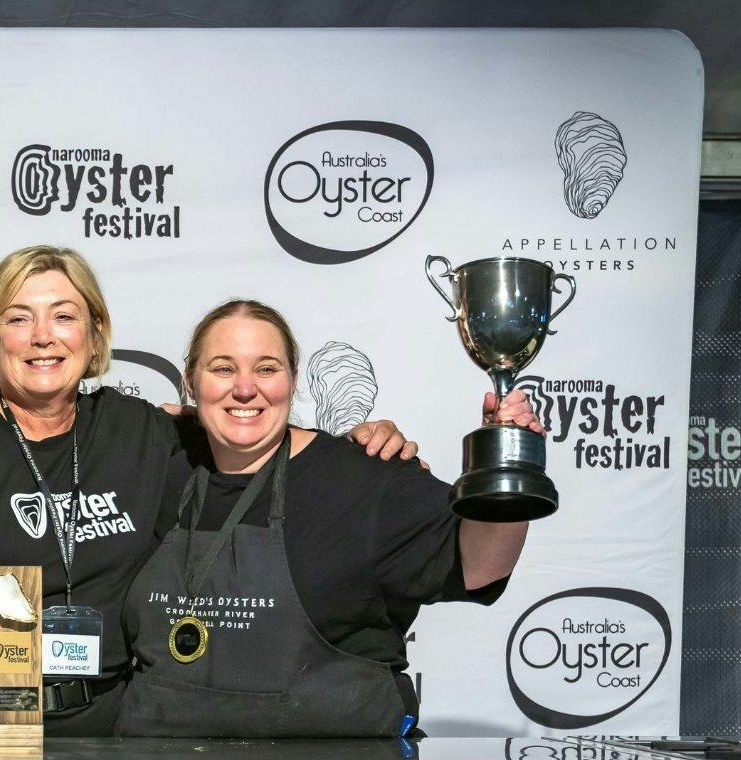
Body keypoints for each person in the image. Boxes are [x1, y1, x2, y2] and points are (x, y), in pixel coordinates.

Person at [0, 248, 421, 739]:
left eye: (64, 316)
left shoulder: (141, 433)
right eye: (19, 318)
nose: (43, 336)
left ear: (95, 336)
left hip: (102, 733)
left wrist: (358, 446)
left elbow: (242, 424)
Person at [114, 299, 539, 737]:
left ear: (293, 380)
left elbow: (479, 566)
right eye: (222, 369)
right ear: (191, 381)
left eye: (266, 369)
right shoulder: (155, 467)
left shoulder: (363, 475)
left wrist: (504, 469)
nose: (244, 388)